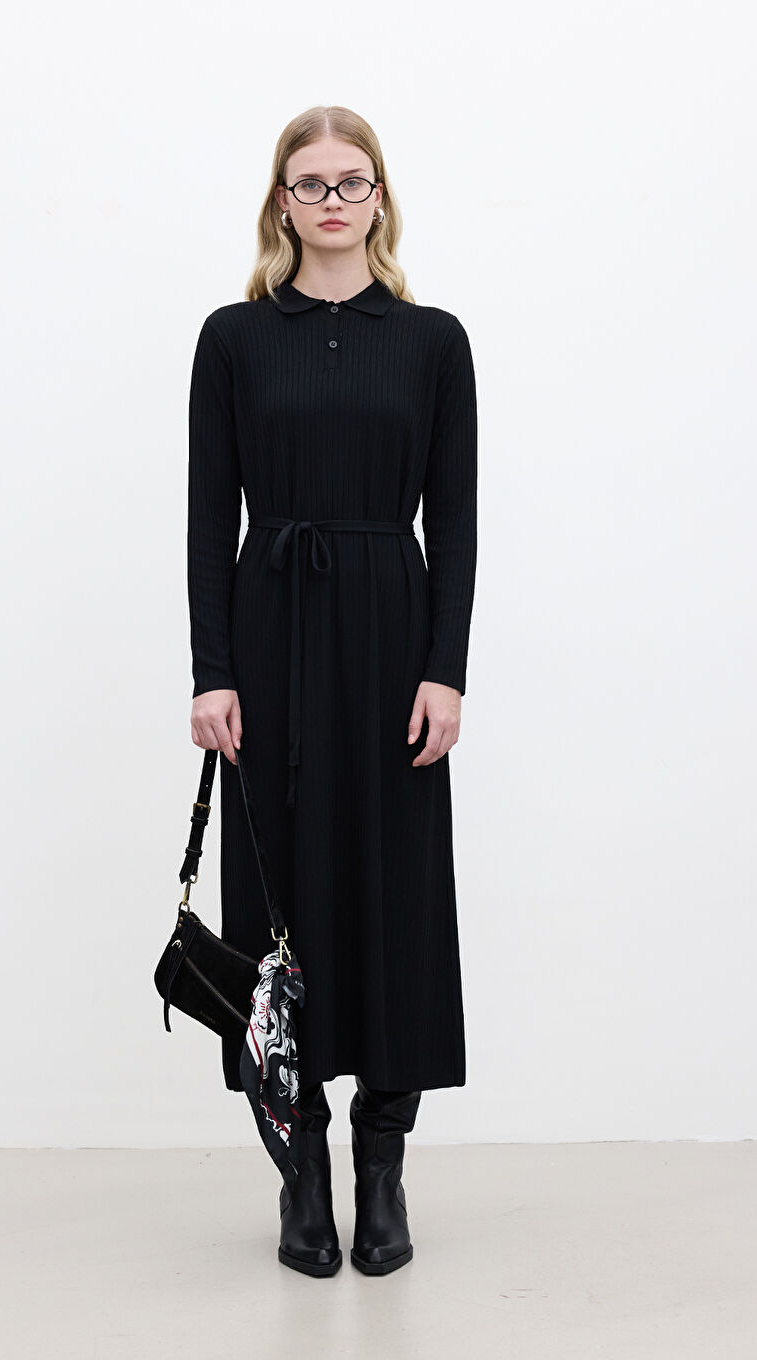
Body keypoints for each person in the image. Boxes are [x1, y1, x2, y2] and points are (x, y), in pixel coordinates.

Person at [186, 105, 478, 1276]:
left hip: (393, 639)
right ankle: (299, 1165)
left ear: (380, 196)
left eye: (351, 181)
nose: (332, 201)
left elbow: (455, 523)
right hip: (271, 638)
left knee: (395, 892)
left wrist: (446, 668)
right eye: (309, 184)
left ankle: (382, 1164)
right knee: (279, 903)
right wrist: (213, 671)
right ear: (282, 202)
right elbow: (208, 518)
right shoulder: (233, 338)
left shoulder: (434, 340)